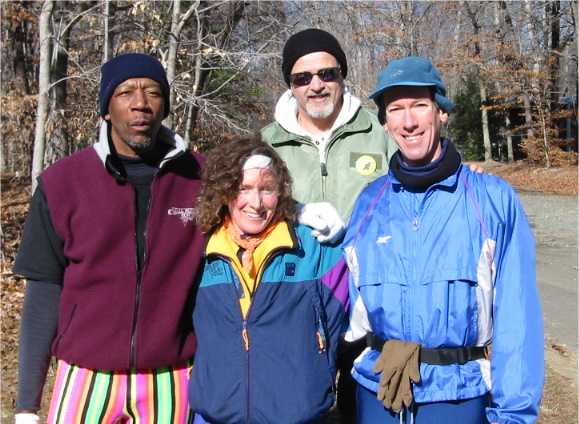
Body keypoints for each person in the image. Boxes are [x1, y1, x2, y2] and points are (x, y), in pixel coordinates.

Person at [343, 56, 544, 423]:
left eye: (419, 106)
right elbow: (337, 300)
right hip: (378, 394)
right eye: (396, 109)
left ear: (441, 113)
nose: (408, 121)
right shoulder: (369, 204)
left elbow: (518, 319)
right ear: (385, 123)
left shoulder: (491, 200)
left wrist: (514, 414)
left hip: (459, 398)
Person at [13, 53, 205, 423]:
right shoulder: (63, 183)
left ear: (164, 105)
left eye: (152, 92)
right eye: (125, 92)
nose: (140, 103)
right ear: (105, 109)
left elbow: (256, 208)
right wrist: (26, 405)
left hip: (171, 374)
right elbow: (43, 292)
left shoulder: (200, 177)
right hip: (85, 374)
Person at [261, 28, 398, 421]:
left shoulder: (378, 133)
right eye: (303, 78)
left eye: (327, 74)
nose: (316, 85)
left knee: (366, 408)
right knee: (305, 410)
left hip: (370, 301)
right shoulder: (268, 143)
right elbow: (247, 212)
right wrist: (294, 211)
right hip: (298, 303)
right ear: (291, 85)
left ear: (342, 75)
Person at [188, 137, 349, 424]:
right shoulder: (200, 252)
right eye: (244, 188)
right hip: (216, 415)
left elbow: (344, 322)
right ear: (224, 191)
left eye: (267, 189)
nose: (256, 202)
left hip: (298, 416)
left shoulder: (314, 249)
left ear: (281, 192)